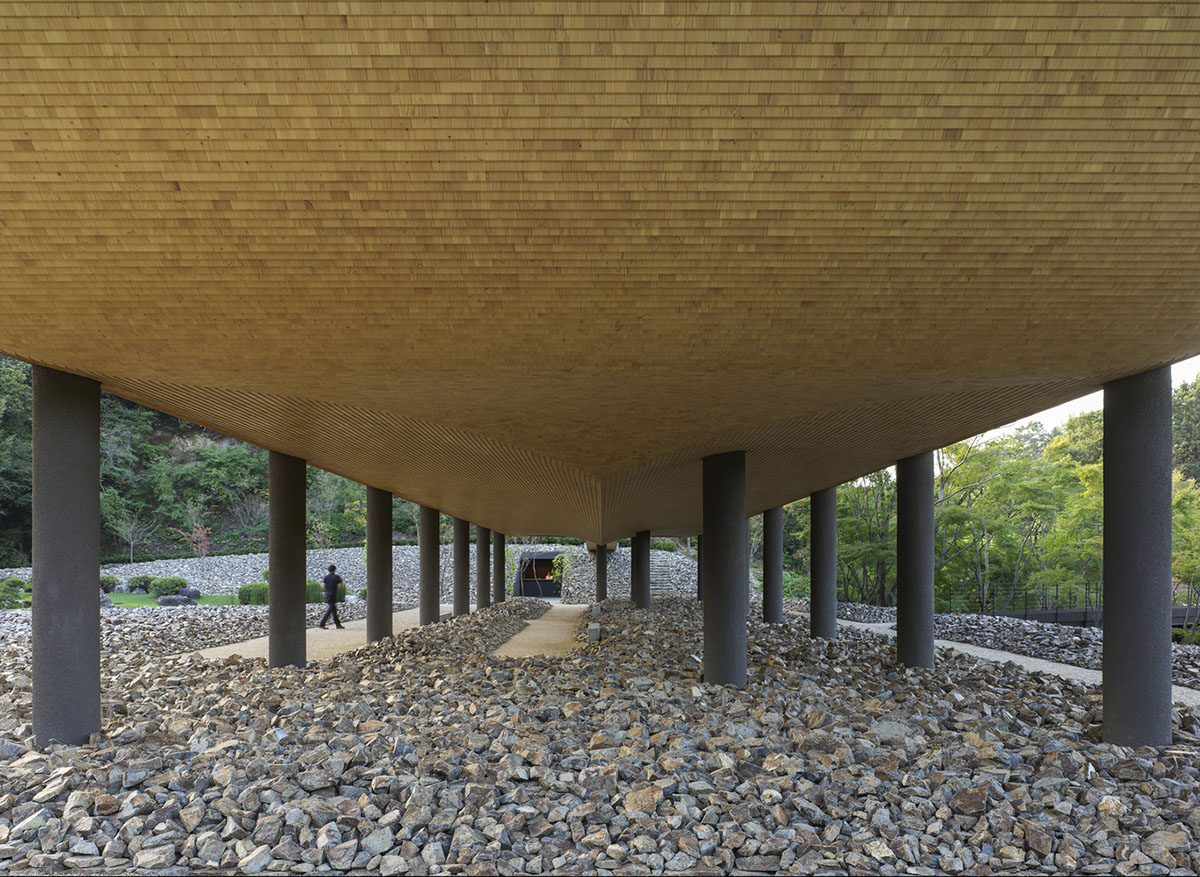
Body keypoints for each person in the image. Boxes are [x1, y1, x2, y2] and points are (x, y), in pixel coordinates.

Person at [319, 564, 344, 629]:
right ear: (335, 570)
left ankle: (338, 624)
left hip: (327, 594)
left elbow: (323, 586)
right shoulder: (337, 577)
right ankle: (322, 624)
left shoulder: (326, 577)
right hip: (333, 594)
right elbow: (340, 586)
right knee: (331, 609)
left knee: (333, 610)